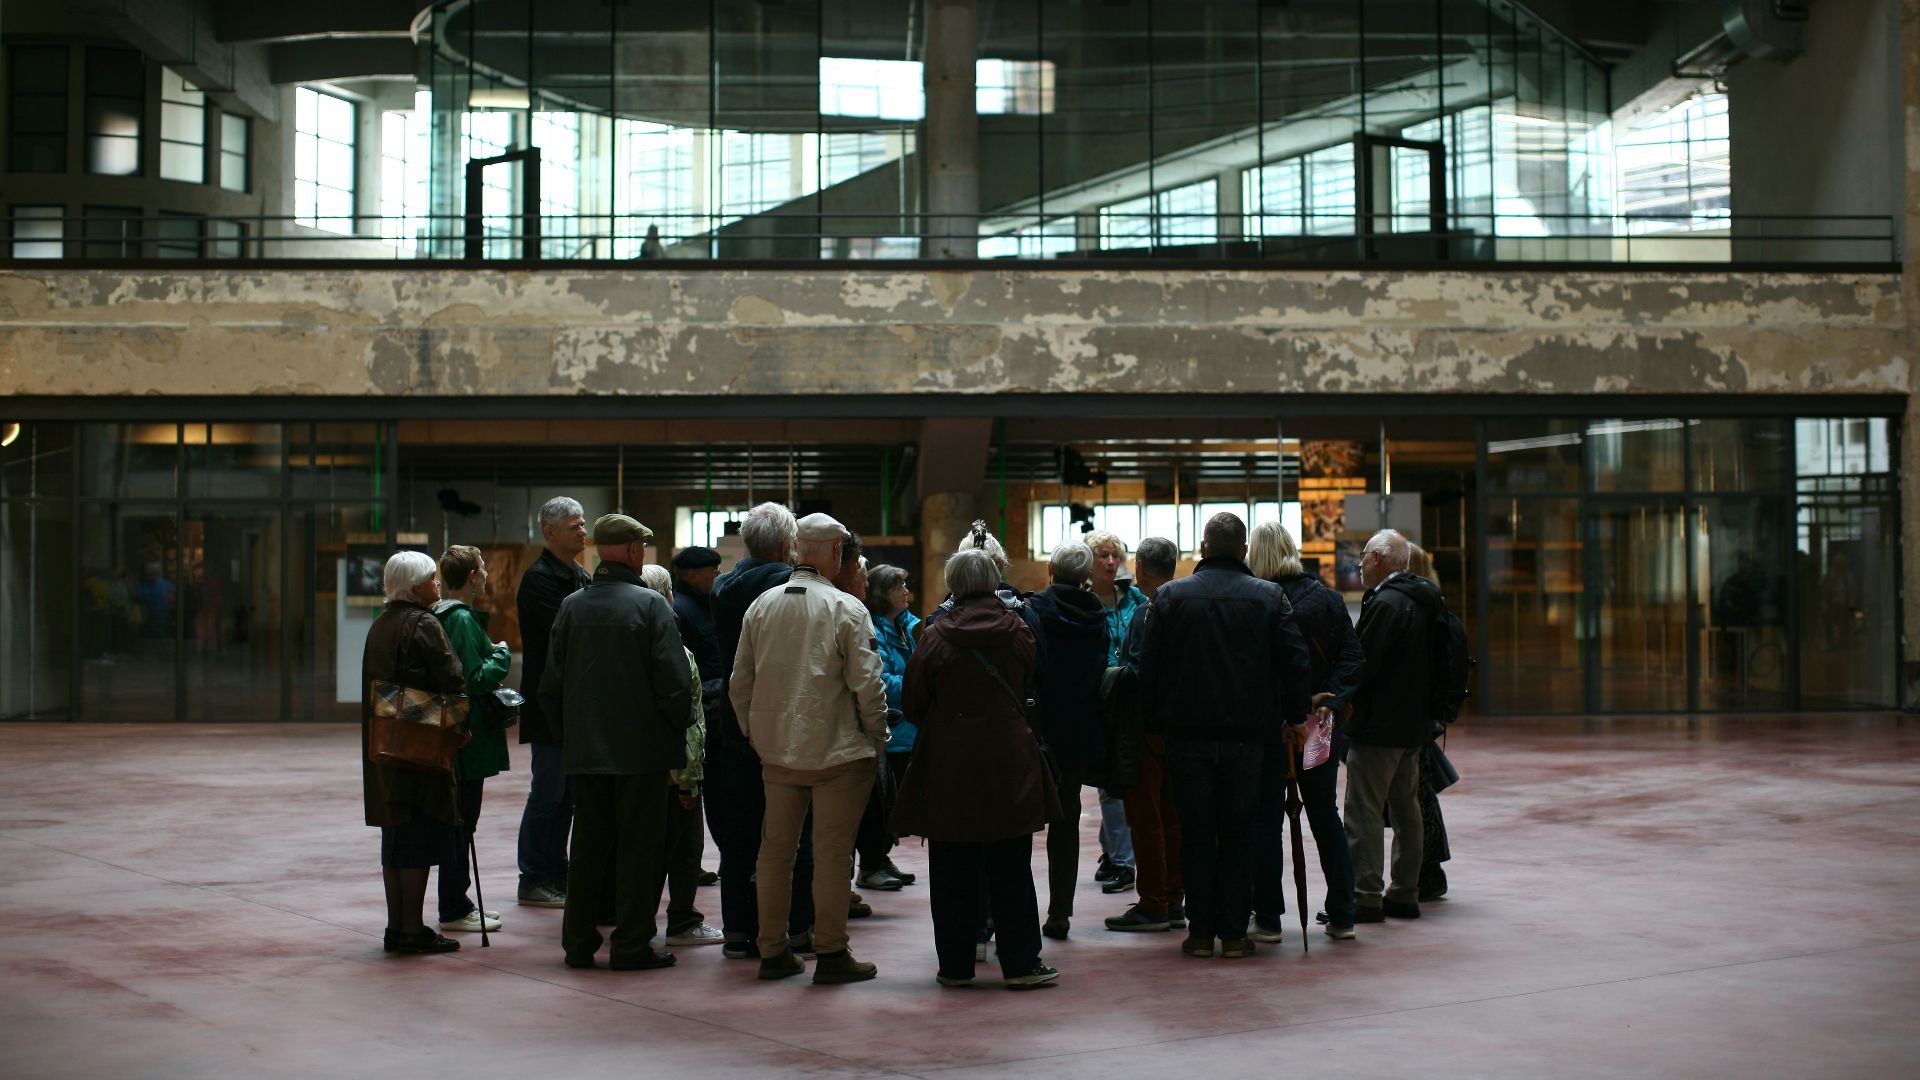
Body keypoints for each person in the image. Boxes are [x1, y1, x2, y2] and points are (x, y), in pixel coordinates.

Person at [1138, 513, 1311, 959]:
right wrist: (1295, 716)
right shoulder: (1269, 596)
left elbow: (1149, 667)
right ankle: (1234, 934)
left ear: (1202, 546)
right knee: (1239, 833)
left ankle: (1200, 934)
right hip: (1249, 739)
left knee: (1195, 833)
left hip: (1186, 737)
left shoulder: (1171, 597)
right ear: (1243, 550)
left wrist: (1155, 722)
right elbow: (1295, 662)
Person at [731, 512, 889, 984]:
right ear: (837, 551)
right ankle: (832, 953)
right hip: (840, 755)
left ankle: (773, 950)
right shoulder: (847, 608)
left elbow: (740, 683)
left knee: (774, 853)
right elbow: (868, 685)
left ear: (796, 549)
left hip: (777, 755)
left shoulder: (761, 606)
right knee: (832, 855)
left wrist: (755, 734)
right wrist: (877, 736)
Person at [892, 547, 1060, 990]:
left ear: (954, 584)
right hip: (1009, 759)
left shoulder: (935, 635)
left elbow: (913, 701)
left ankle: (955, 964)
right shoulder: (1019, 630)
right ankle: (1021, 964)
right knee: (1011, 864)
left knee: (951, 865)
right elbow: (1029, 685)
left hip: (950, 762)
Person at [542, 514, 694, 970]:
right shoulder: (651, 605)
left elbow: (551, 687)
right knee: (639, 852)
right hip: (642, 755)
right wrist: (675, 732)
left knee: (587, 849)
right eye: (641, 547)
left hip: (586, 754)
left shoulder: (571, 606)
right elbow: (675, 683)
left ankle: (578, 944)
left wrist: (570, 739)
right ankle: (630, 946)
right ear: (630, 550)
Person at [707, 502, 817, 959]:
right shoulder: (792, 588)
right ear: (787, 544)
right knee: (793, 833)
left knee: (739, 834)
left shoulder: (721, 589)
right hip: (783, 719)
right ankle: (795, 928)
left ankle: (737, 931)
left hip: (734, 720)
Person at [1247, 523, 1363, 942]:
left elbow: (1256, 670)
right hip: (1318, 724)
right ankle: (1343, 914)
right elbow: (1352, 656)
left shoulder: (1256, 602)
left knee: (1265, 817)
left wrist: (1286, 709)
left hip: (1271, 726)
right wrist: (1328, 702)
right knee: (1323, 813)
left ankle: (1268, 918)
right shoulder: (1327, 599)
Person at [362, 551, 466, 954]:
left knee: (395, 836)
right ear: (415, 586)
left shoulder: (381, 624)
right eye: (431, 578)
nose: (437, 584)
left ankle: (396, 927)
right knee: (419, 836)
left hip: (385, 741)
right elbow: (452, 677)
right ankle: (412, 929)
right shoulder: (424, 623)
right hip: (419, 743)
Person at [1345, 528, 1442, 922]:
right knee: (1406, 809)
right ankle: (1404, 892)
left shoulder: (1386, 603)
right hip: (1415, 725)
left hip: (1379, 726)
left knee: (1364, 809)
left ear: (1378, 559)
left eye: (1364, 556)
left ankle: (1365, 895)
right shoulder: (1426, 599)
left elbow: (1362, 663)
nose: (1360, 564)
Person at [1023, 541, 1110, 940]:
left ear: (1051, 570)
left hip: (1038, 726)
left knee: (1021, 821)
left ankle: (1012, 911)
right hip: (1078, 728)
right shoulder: (1098, 616)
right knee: (1066, 821)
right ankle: (1060, 911)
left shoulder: (1034, 610)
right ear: (1087, 576)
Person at [637, 563, 723, 948]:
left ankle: (638, 924)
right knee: (685, 848)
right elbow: (689, 722)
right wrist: (688, 779)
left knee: (647, 850)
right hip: (675, 770)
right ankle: (683, 921)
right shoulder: (676, 651)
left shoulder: (628, 648)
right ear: (666, 597)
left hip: (639, 768)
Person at [432, 545, 513, 936]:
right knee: (462, 822)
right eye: (482, 568)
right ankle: (455, 906)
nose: (485, 574)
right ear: (471, 576)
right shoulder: (462, 618)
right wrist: (501, 656)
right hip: (468, 735)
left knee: (460, 821)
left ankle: (457, 902)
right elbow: (473, 678)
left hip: (458, 732)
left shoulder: (443, 613)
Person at [1105, 535, 1185, 934]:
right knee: (1173, 816)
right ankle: (1173, 898)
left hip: (1146, 727)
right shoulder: (1188, 605)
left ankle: (1153, 903)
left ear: (1139, 568)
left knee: (1146, 816)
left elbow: (1137, 673)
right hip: (1182, 727)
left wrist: (1110, 679)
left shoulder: (1145, 612)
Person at [516, 496, 591, 909]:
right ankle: (533, 877)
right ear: (549, 532)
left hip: (572, 704)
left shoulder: (578, 574)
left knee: (566, 797)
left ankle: (557, 873)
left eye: (583, 524)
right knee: (547, 794)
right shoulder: (539, 580)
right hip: (550, 705)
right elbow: (567, 636)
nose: (583, 531)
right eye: (574, 526)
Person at [1083, 530, 1142, 896]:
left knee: (1117, 782)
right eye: (1102, 555)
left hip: (1131, 698)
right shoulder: (1084, 603)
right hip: (1099, 699)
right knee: (1110, 782)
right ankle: (1118, 857)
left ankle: (1120, 859)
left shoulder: (1135, 599)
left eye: (1114, 555)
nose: (1110, 562)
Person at [671, 545, 726, 886]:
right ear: (693, 575)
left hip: (710, 708)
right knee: (694, 794)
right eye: (712, 570)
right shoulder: (684, 609)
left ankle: (693, 863)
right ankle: (686, 865)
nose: (717, 575)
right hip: (702, 713)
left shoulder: (701, 604)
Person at [1405, 542, 1453, 903]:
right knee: (1421, 792)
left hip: (1411, 716)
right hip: (1426, 714)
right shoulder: (1436, 607)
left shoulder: (1413, 609)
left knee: (1416, 794)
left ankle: (1427, 869)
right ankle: (1429, 868)